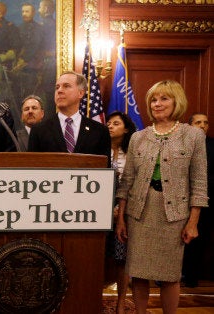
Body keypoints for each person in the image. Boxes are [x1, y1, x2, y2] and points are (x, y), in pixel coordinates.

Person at [115, 80, 207, 313]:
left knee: (170, 275)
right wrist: (121, 218)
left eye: (164, 98)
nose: (157, 104)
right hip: (139, 213)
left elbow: (199, 182)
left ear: (177, 102)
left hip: (173, 215)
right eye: (153, 100)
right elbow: (127, 181)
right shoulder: (138, 137)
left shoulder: (193, 136)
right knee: (138, 272)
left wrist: (193, 222)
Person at [27, 71, 110, 161]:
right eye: (57, 87)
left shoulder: (99, 131)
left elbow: (104, 170)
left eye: (66, 86)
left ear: (81, 93)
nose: (59, 91)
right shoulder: (39, 130)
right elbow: (32, 169)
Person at [105, 111, 137, 314]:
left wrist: (120, 210)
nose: (109, 126)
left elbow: (133, 184)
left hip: (124, 213)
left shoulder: (132, 153)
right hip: (99, 212)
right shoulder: (99, 149)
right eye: (108, 122)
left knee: (121, 259)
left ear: (125, 129)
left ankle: (121, 302)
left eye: (115, 123)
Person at [182, 113, 214, 287]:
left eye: (205, 123)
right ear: (190, 125)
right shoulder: (183, 143)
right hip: (180, 199)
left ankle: (191, 276)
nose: (202, 125)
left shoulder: (213, 145)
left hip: (207, 201)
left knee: (199, 240)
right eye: (198, 122)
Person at [13, 3, 44, 104]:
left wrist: (24, 60)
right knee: (17, 93)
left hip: (33, 66)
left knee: (30, 93)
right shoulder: (19, 28)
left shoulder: (39, 28)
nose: (24, 14)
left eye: (27, 11)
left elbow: (35, 46)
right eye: (23, 11)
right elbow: (17, 46)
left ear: (33, 13)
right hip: (20, 66)